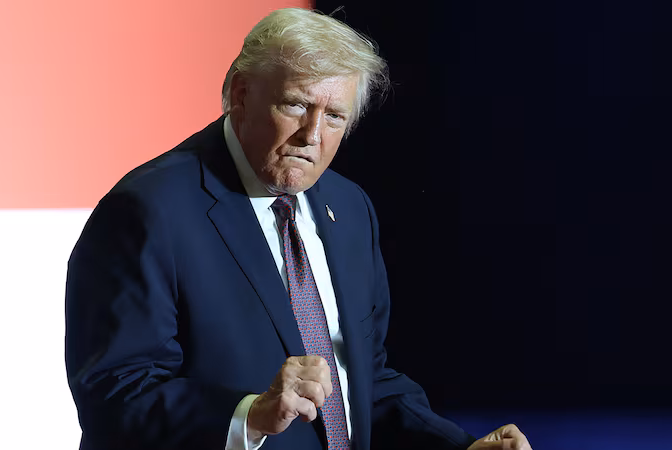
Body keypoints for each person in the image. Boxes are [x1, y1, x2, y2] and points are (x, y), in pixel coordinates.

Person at [65, 7, 532, 450]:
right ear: (241, 94)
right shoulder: (147, 211)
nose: (312, 135)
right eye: (295, 105)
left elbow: (365, 384)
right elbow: (116, 397)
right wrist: (248, 414)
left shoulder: (348, 207)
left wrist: (461, 446)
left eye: (334, 117)